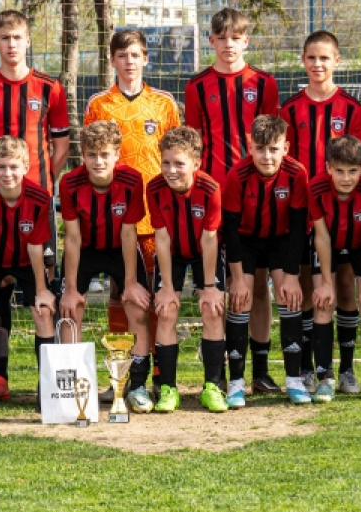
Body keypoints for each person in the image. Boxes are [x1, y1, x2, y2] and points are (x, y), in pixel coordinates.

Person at [0, 10, 69, 402]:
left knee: (44, 296)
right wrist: (1, 180)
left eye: (18, 37)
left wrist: (35, 182)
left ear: (28, 41)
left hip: (37, 204)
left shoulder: (50, 88)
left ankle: (49, 384)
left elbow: (60, 148)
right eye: (4, 37)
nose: (11, 44)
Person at [184, 8, 281, 395]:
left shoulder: (264, 83)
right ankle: (222, 369)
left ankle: (259, 370)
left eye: (235, 37)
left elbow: (270, 144)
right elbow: (192, 144)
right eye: (221, 38)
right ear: (211, 41)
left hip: (255, 199)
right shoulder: (197, 86)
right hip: (210, 199)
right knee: (219, 285)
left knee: (257, 286)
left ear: (246, 40)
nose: (228, 45)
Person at [83, 29, 179, 366]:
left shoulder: (164, 104)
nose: (129, 61)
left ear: (145, 58)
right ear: (112, 60)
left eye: (135, 55)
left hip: (154, 218)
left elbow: (176, 157)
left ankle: (154, 368)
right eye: (122, 55)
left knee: (152, 293)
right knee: (120, 292)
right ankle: (120, 369)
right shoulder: (99, 105)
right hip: (114, 218)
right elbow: (89, 160)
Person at [280, 30, 361, 395]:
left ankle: (346, 371)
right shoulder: (290, 109)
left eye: (325, 58)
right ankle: (306, 369)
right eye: (312, 58)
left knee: (343, 285)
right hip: (301, 213)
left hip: (343, 213)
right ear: (303, 60)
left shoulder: (351, 109)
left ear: (337, 61)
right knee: (304, 287)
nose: (318, 64)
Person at [58, 121, 152, 412]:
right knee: (70, 310)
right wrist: (71, 289)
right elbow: (72, 238)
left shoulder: (132, 180)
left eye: (105, 155)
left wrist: (132, 282)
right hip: (84, 249)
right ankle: (71, 389)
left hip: (118, 249)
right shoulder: (70, 183)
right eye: (92, 155)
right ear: (82, 155)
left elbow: (128, 233)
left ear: (116, 155)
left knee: (137, 306)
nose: (98, 161)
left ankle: (136, 386)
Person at [222, 115, 309, 405]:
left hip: (281, 240)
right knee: (241, 298)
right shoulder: (237, 175)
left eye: (273, 149)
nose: (267, 156)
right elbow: (231, 231)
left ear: (286, 148)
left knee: (289, 295)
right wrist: (235, 279)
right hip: (245, 242)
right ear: (250, 147)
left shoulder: (297, 173)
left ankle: (293, 379)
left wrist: (293, 275)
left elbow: (298, 228)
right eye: (260, 149)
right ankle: (236, 381)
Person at [0, 136, 55, 411]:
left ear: (26, 166)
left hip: (27, 261)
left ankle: (47, 388)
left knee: (43, 311)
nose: (8, 173)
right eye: (1, 167)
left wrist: (41, 290)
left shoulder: (40, 197)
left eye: (14, 167)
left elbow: (36, 246)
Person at [146, 126, 226, 412]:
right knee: (166, 311)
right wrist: (167, 288)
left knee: (212, 309)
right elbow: (162, 239)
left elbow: (209, 239)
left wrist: (208, 288)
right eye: (166, 162)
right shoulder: (154, 188)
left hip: (205, 251)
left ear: (196, 163)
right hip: (173, 254)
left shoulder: (211, 189)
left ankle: (213, 386)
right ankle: (168, 388)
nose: (171, 169)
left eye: (179, 163)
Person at [309, 136, 361, 402]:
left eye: (352, 171)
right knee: (323, 302)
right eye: (339, 170)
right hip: (328, 241)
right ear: (328, 167)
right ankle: (325, 378)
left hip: (360, 245)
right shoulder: (316, 188)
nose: (346, 177)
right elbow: (321, 236)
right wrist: (327, 283)